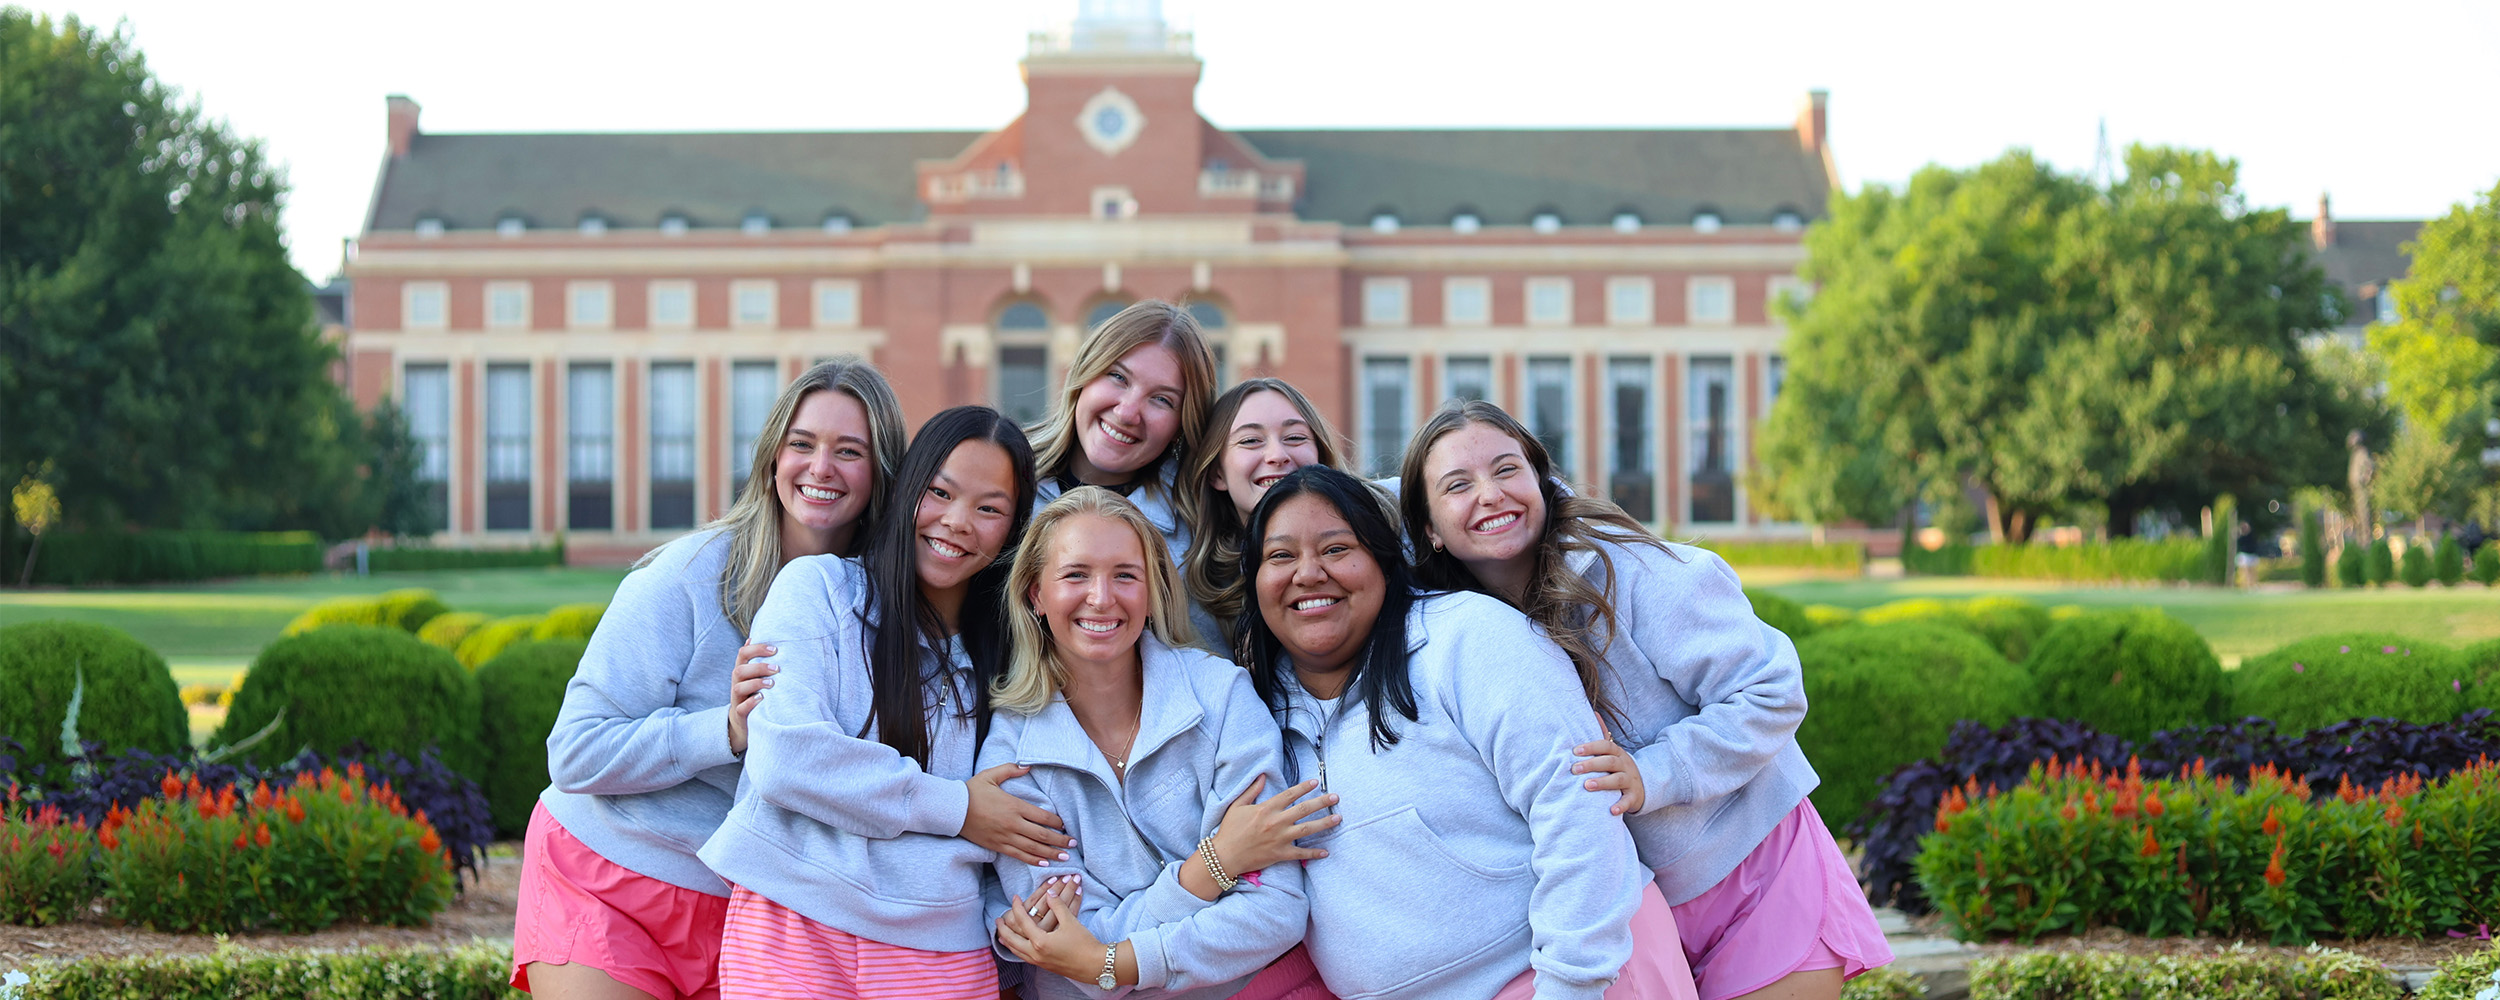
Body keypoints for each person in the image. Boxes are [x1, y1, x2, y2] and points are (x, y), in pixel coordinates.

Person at [1401, 400, 1890, 1000]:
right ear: (1427, 526)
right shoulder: (1453, 635)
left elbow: (1772, 691)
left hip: (1758, 871)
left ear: (1540, 480)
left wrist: (1653, 771)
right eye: (1458, 485)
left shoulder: (1626, 569)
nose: (1491, 494)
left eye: (1507, 470)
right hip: (1642, 908)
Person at [519, 361, 907, 1000]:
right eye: (802, 445)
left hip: (750, 907)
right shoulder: (690, 575)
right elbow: (574, 752)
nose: (821, 468)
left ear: (883, 470)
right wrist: (724, 730)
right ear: (772, 456)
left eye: (850, 451)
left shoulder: (884, 606)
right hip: (610, 874)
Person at [1242, 466, 1695, 1000]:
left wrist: (1570, 986)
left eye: (1338, 549)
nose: (1309, 573)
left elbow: (1580, 811)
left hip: (1572, 977)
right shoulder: (1259, 714)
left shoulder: (1466, 639)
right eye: (1280, 556)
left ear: (1384, 562)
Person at [699, 406, 1056, 1000]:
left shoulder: (1015, 654)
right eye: (940, 493)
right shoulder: (818, 590)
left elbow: (1023, 812)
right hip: (793, 925)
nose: (958, 522)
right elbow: (785, 758)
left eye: (989, 508)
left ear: (1014, 529)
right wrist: (957, 807)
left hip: (941, 942)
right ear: (907, 490)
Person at [982, 486, 1333, 1000]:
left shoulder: (1220, 695)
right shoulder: (1012, 760)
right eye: (1076, 574)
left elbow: (1277, 910)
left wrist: (1107, 961)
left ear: (1150, 592)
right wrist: (1212, 866)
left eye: (1125, 575)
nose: (1102, 598)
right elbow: (1059, 953)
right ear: (1036, 593)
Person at [1026, 299, 1220, 571]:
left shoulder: (1202, 536)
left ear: (1181, 426)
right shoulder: (1004, 480)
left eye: (1162, 399)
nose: (1127, 413)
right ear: (1085, 373)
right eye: (1118, 377)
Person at [1177, 378, 1359, 656]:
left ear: (1320, 458)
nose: (1277, 455)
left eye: (1295, 437)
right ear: (1217, 473)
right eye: (1251, 441)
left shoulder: (1379, 531)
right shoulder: (1194, 601)